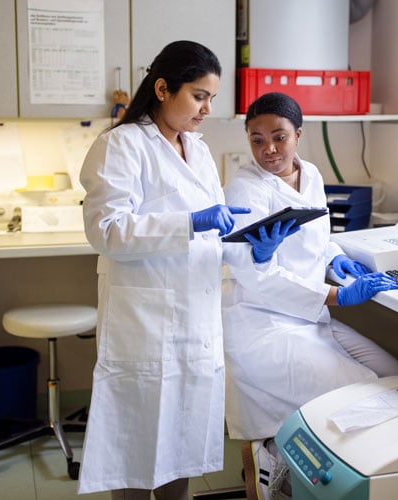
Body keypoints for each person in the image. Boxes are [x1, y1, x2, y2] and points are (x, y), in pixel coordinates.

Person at [78, 42, 297, 500]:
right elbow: (106, 231)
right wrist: (190, 222)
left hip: (196, 318)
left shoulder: (196, 150)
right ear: (162, 88)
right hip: (145, 320)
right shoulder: (120, 145)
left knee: (182, 440)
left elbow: (210, 238)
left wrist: (257, 250)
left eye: (211, 98)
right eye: (199, 96)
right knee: (136, 447)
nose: (207, 109)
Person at [222, 92, 398, 500]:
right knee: (366, 390)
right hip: (263, 326)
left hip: (311, 320)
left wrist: (337, 257)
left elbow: (317, 238)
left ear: (298, 135)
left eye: (279, 137)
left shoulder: (312, 175)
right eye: (256, 139)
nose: (268, 149)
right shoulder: (244, 190)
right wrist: (338, 297)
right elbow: (254, 275)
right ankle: (274, 455)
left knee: (397, 379)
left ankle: (292, 454)